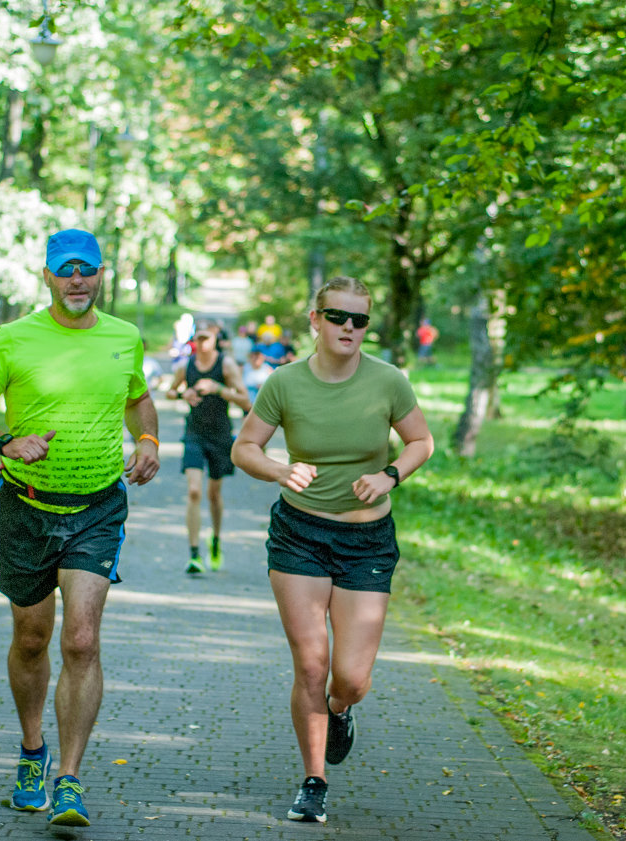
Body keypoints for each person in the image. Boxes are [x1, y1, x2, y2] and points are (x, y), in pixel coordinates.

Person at [0, 229, 160, 828]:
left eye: (86, 269)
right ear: (46, 276)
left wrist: (148, 438)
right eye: (65, 269)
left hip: (97, 508)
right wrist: (7, 442)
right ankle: (31, 749)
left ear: (101, 274)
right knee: (32, 638)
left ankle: (69, 780)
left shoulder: (124, 336)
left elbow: (137, 397)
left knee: (82, 640)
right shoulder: (13, 339)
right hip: (25, 506)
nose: (76, 279)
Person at [232, 276, 434, 824]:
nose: (349, 327)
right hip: (300, 533)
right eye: (338, 317)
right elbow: (244, 447)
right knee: (311, 663)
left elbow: (421, 441)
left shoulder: (388, 381)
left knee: (350, 678)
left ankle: (340, 708)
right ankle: (313, 781)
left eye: (359, 320)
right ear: (315, 320)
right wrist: (279, 470)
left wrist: (390, 475)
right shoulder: (285, 382)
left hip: (367, 540)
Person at [165, 320, 251, 574]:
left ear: (215, 339)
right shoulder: (186, 365)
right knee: (194, 491)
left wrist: (218, 388)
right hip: (193, 434)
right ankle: (194, 555)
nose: (201, 343)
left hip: (220, 436)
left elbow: (246, 401)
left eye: (206, 338)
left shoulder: (226, 365)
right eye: (198, 338)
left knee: (213, 494)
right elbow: (169, 392)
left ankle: (215, 540)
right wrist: (183, 394)